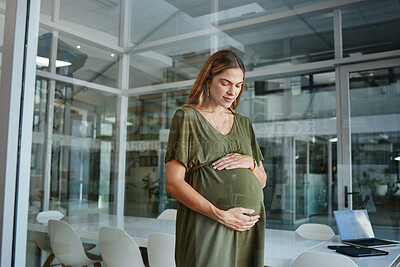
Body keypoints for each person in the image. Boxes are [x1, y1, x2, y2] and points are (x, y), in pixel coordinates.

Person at [164, 50, 267, 267]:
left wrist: (250, 164)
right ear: (208, 81)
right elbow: (173, 183)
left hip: (247, 226)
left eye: (238, 85)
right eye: (226, 83)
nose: (233, 91)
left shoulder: (244, 123)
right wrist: (220, 214)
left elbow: (262, 181)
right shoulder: (187, 117)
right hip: (208, 222)